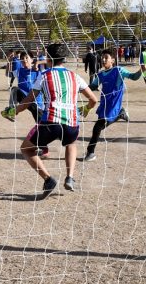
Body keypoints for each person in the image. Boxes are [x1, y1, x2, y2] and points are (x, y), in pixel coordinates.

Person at [7, 43, 97, 196]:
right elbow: (93, 100)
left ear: (48, 58)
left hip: (50, 122)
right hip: (71, 123)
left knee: (26, 149)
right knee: (70, 143)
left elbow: (29, 100)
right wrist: (86, 108)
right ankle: (70, 177)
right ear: (64, 59)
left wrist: (13, 111)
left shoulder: (44, 75)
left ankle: (48, 179)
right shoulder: (75, 76)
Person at [83, 50, 141, 162]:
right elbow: (93, 86)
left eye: (106, 57)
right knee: (99, 127)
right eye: (102, 58)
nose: (103, 60)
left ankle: (90, 152)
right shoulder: (100, 74)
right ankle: (121, 113)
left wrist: (141, 70)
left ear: (113, 60)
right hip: (104, 104)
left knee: (97, 127)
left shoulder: (118, 71)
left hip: (114, 104)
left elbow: (133, 77)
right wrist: (80, 87)